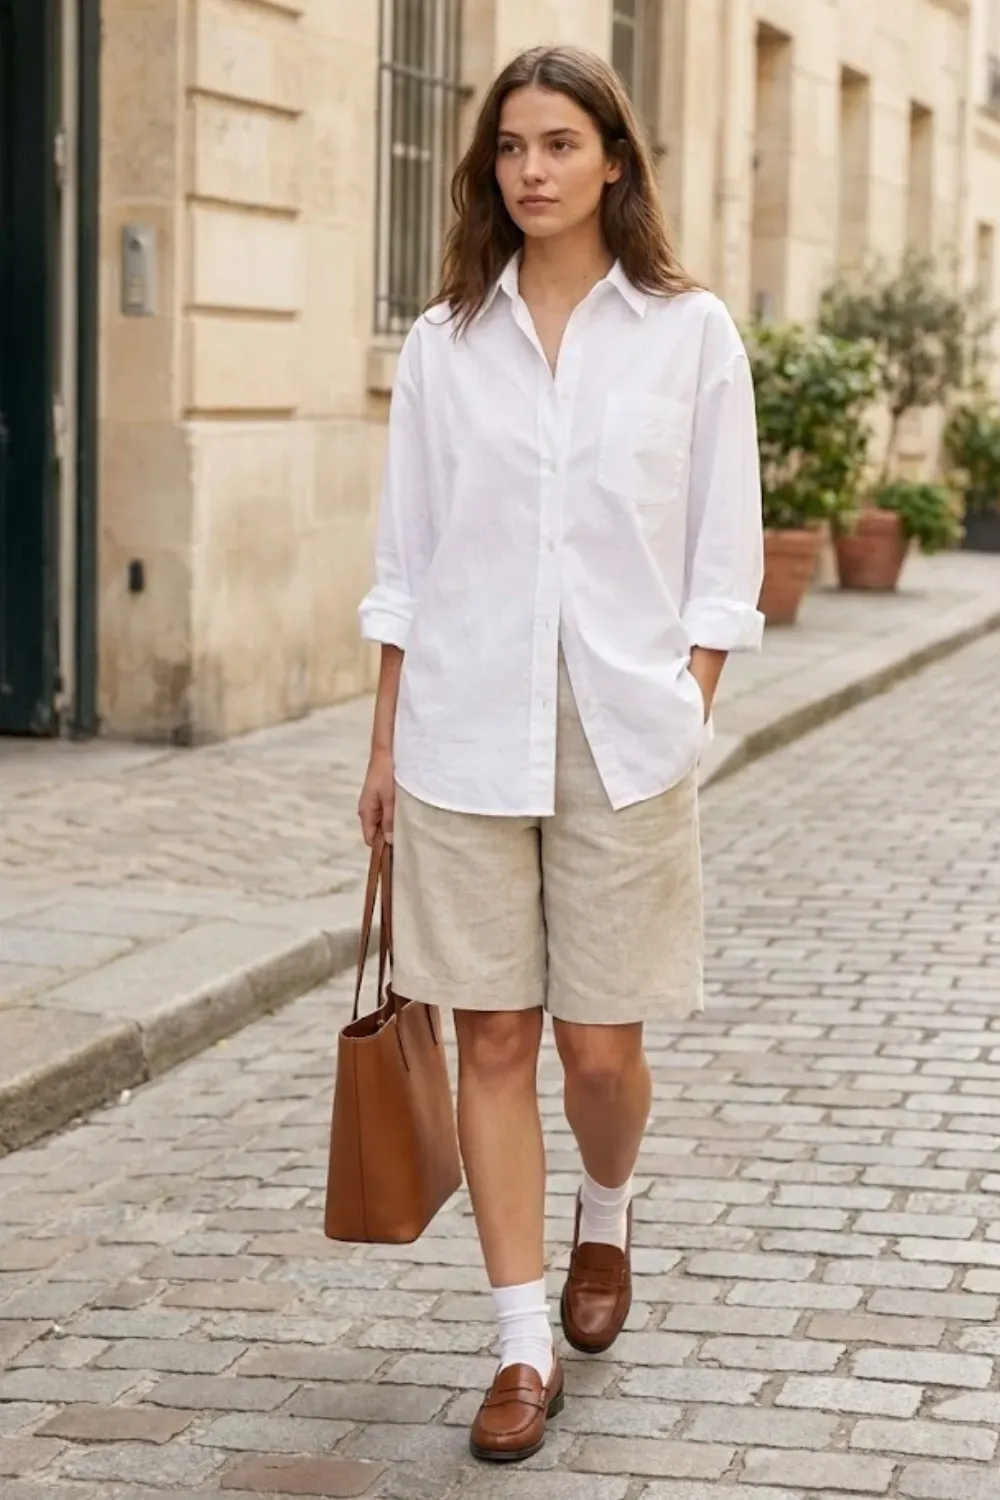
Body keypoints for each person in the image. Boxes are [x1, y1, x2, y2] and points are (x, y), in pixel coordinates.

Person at [357, 44, 764, 1464]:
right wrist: (385, 744)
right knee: (493, 1035)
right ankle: (521, 1341)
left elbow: (725, 554)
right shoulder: (441, 344)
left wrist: (687, 695)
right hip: (464, 727)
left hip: (623, 732)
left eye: (558, 144)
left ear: (612, 161)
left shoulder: (688, 331)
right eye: (510, 149)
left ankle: (609, 1207)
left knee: (599, 1048)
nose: (530, 169)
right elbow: (404, 564)